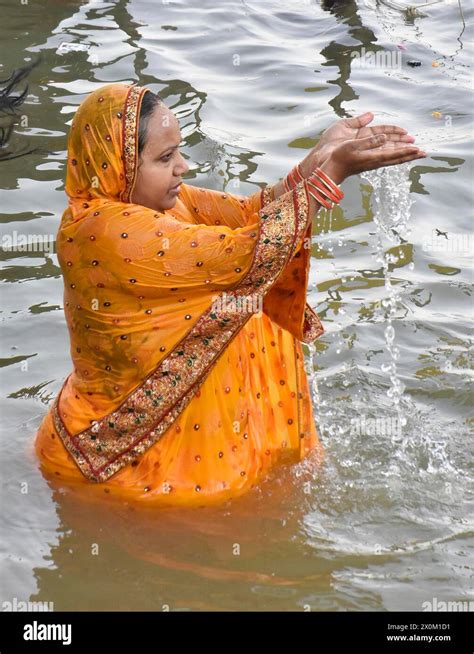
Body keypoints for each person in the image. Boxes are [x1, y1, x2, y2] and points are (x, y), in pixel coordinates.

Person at [34, 82, 425, 507]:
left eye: (179, 151)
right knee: (245, 292)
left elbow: (248, 214)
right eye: (165, 159)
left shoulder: (158, 202)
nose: (182, 167)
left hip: (133, 435)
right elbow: (250, 254)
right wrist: (332, 174)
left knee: (246, 300)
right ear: (118, 165)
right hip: (118, 457)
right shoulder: (103, 231)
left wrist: (320, 159)